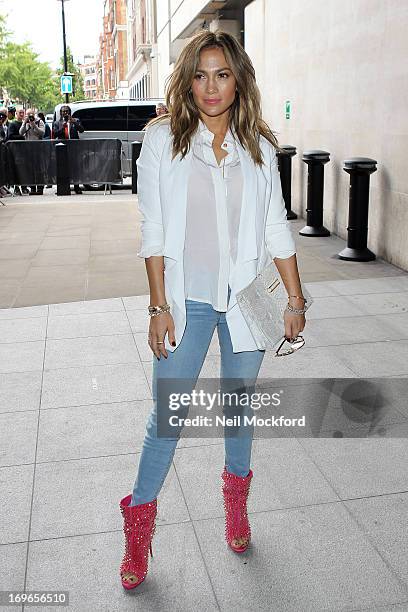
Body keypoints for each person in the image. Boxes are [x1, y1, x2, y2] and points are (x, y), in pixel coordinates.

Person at [118, 29, 307, 590]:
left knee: (239, 411)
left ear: (238, 79)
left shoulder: (261, 149)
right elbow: (152, 228)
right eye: (200, 75)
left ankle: (236, 507)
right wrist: (157, 305)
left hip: (246, 299)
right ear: (187, 80)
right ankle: (138, 528)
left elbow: (276, 226)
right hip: (188, 300)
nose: (210, 87)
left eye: (222, 74)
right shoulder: (162, 141)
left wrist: (295, 299)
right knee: (168, 418)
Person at [52, 105, 85, 194]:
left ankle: (76, 187)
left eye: (67, 111)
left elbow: (82, 130)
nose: (65, 113)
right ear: (61, 113)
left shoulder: (76, 120)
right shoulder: (57, 123)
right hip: (62, 148)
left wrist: (74, 122)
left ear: (69, 112)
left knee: (75, 167)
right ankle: (62, 187)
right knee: (62, 168)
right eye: (63, 111)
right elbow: (55, 134)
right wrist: (63, 127)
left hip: (74, 148)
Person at [19, 109, 45, 195]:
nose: (30, 116)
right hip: (28, 148)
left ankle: (40, 188)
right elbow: (20, 132)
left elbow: (42, 133)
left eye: (31, 115)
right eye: (28, 115)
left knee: (39, 169)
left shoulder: (39, 121)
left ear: (34, 115)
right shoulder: (25, 122)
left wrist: (34, 125)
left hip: (38, 148)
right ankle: (33, 188)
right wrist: (24, 123)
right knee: (31, 169)